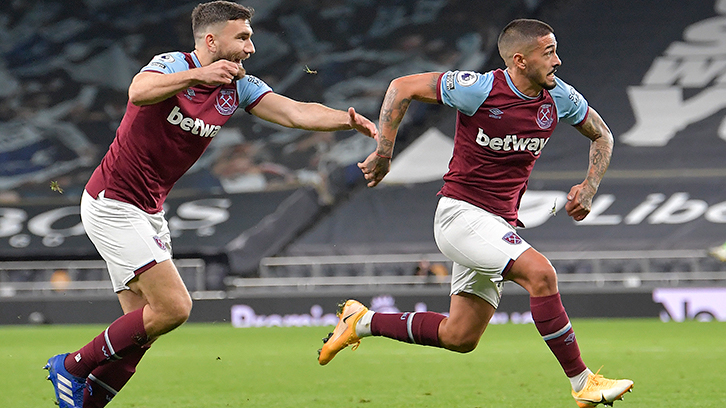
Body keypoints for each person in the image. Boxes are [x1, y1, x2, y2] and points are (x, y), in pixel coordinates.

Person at [43, 2, 378, 407]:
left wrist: (347, 119)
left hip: (149, 211)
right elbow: (137, 91)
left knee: (139, 332)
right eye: (243, 37)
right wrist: (199, 74)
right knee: (174, 307)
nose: (251, 48)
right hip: (113, 202)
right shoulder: (171, 64)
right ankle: (73, 366)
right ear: (211, 39)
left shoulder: (238, 87)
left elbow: (293, 112)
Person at [318, 19, 633, 408]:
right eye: (548, 52)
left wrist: (590, 186)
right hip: (461, 216)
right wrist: (384, 152)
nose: (558, 60)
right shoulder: (478, 89)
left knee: (460, 336)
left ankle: (362, 322)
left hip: (495, 224)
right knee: (541, 274)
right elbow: (401, 86)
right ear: (519, 60)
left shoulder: (559, 98)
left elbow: (603, 134)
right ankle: (583, 382)